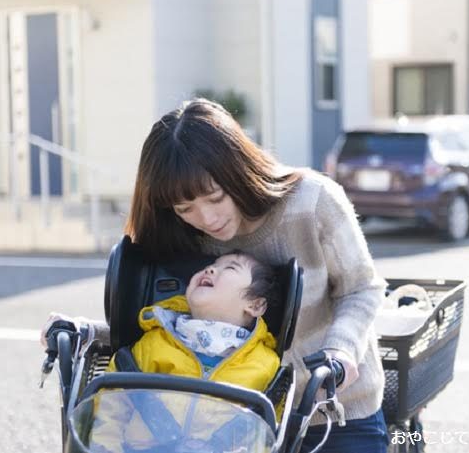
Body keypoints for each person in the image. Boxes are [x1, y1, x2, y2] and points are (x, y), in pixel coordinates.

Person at [44, 98, 389, 452]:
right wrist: (85, 333)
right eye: (185, 208)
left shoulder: (313, 201)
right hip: (235, 426)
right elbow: (178, 327)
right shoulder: (187, 237)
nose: (207, 219)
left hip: (335, 410)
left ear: (237, 170)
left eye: (215, 197)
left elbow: (361, 288)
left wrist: (341, 353)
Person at [90, 252, 281, 453]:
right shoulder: (155, 343)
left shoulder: (265, 366)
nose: (211, 269)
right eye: (212, 264)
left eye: (230, 268)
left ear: (255, 305)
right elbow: (112, 405)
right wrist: (105, 448)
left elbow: (268, 433)